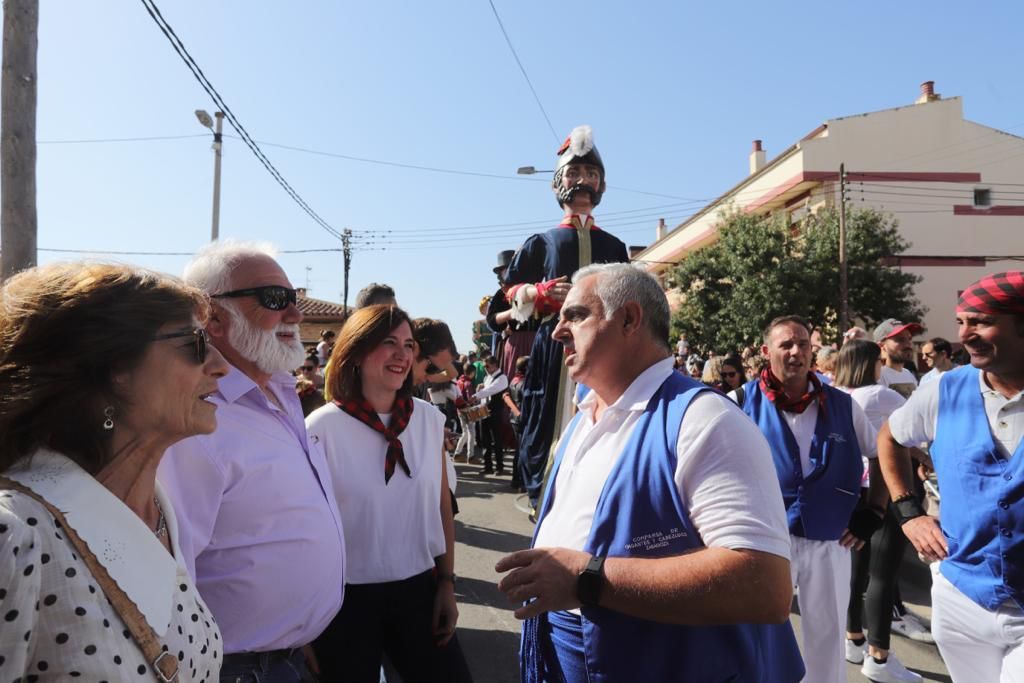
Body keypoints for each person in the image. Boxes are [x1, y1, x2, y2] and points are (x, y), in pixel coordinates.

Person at [496, 263, 804, 682]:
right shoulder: (583, 418)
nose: (557, 332)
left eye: (576, 316)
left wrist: (586, 580)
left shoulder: (705, 420)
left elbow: (763, 586)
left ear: (629, 319)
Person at [0, 262, 228, 681]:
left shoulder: (157, 506)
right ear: (110, 367)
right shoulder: (14, 536)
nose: (220, 365)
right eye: (195, 343)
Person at [158, 241, 346, 683]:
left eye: (294, 298)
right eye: (275, 300)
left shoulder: (280, 394)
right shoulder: (197, 419)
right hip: (234, 668)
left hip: (288, 656)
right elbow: (169, 577)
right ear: (213, 317)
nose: (296, 315)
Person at [305, 305, 468, 681]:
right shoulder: (321, 428)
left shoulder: (428, 420)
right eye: (388, 342)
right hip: (343, 600)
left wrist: (446, 583)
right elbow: (305, 533)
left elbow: (442, 508)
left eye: (408, 345)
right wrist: (303, 621)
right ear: (357, 353)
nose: (402, 354)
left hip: (418, 591)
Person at [877, 271, 1024, 683]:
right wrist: (909, 514)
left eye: (980, 321)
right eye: (962, 322)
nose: (966, 334)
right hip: (961, 598)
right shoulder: (943, 389)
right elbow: (889, 437)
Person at [733, 315, 884, 683]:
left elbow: (881, 452)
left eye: (803, 343)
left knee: (828, 633)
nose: (796, 351)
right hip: (765, 538)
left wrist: (874, 512)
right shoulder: (738, 403)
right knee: (758, 629)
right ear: (767, 352)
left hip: (830, 537)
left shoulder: (843, 405)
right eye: (786, 344)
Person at [503, 125, 630, 513]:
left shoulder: (614, 246)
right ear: (559, 182)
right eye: (575, 174)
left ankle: (596, 492)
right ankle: (543, 493)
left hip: (603, 346)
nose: (584, 182)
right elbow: (510, 291)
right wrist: (536, 293)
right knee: (547, 415)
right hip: (553, 344)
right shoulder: (541, 242)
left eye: (591, 175)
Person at [833, 341, 922, 682]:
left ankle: (853, 638)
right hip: (884, 489)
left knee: (856, 570)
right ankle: (880, 657)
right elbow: (914, 431)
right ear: (868, 363)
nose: (883, 366)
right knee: (883, 574)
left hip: (851, 489)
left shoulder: (836, 393)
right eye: (879, 361)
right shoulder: (880, 395)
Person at [473, 355, 509, 475]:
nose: (485, 368)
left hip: (495, 411)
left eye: (486, 366)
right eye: (484, 366)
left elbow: (491, 390)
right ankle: (488, 466)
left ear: (494, 365)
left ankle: (500, 466)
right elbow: (485, 392)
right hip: (484, 410)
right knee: (485, 440)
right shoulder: (487, 377)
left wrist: (475, 396)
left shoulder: (502, 378)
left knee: (497, 440)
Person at [873, 319, 924, 399]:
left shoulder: (908, 374)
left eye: (909, 339)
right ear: (881, 346)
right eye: (900, 340)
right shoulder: (877, 376)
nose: (908, 344)